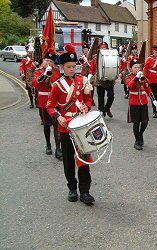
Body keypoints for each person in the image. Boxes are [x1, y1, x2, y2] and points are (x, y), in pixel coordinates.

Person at [46, 44, 95, 204]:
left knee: (84, 158)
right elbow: (50, 106)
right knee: (68, 160)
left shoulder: (82, 81)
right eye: (69, 67)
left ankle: (85, 191)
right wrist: (58, 116)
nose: (72, 69)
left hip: (81, 126)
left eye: (74, 66)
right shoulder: (57, 85)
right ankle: (72, 188)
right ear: (62, 67)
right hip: (65, 127)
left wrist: (87, 106)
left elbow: (88, 99)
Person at [32, 49, 62, 159]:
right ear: (43, 61)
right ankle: (48, 144)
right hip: (44, 102)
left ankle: (58, 148)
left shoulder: (57, 71)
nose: (48, 63)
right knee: (46, 124)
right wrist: (45, 74)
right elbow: (35, 83)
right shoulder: (39, 71)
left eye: (50, 61)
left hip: (55, 101)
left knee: (57, 124)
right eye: (47, 60)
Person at [126, 58, 157, 150]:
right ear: (131, 68)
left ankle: (140, 135)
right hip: (134, 102)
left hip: (143, 102)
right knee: (136, 123)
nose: (137, 69)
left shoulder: (143, 77)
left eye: (138, 67)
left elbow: (148, 88)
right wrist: (136, 78)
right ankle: (137, 141)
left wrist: (153, 99)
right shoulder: (129, 77)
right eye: (135, 67)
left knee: (145, 121)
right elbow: (130, 87)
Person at [88, 42, 115, 118]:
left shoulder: (110, 57)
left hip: (109, 79)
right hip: (99, 80)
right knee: (101, 97)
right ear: (99, 49)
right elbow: (92, 70)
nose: (103, 49)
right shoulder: (95, 58)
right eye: (102, 48)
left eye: (105, 48)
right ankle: (102, 110)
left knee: (111, 96)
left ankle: (107, 108)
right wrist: (90, 78)